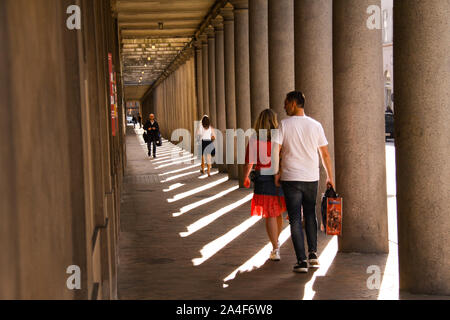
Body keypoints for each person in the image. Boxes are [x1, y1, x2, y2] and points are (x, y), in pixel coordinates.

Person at [273, 91, 334, 273]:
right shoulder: (315, 125)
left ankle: (301, 261)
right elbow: (324, 154)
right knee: (310, 214)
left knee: (295, 219)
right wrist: (330, 177)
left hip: (290, 177)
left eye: (286, 103)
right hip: (311, 177)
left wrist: (276, 172)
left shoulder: (284, 125)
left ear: (293, 103)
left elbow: (276, 151)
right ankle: (313, 254)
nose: (284, 106)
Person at [243, 109, 287, 261]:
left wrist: (246, 176)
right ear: (274, 121)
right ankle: (276, 242)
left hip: (263, 176)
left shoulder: (255, 138)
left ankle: (275, 247)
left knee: (270, 213)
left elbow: (250, 161)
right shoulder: (279, 136)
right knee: (278, 212)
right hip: (280, 176)